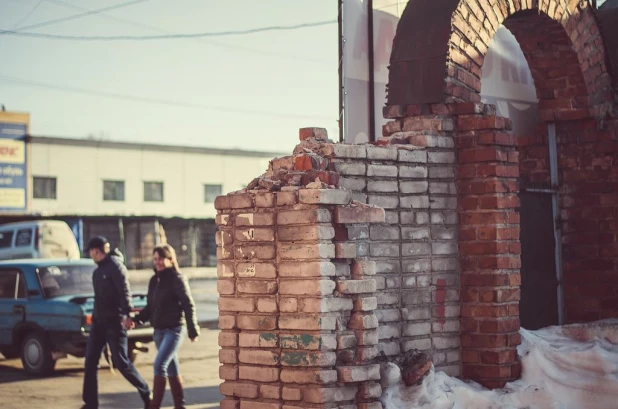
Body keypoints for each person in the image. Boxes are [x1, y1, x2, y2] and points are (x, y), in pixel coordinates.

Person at [81, 236, 151, 409]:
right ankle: (90, 403)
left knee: (121, 363)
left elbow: (124, 291)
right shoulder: (97, 272)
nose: (90, 255)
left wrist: (127, 314)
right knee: (90, 361)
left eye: (90, 252)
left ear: (96, 251)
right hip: (98, 323)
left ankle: (146, 391)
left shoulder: (115, 267)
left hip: (114, 322)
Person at [135, 244, 199, 409]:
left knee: (159, 365)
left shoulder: (177, 279)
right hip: (158, 332)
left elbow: (188, 305)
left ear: (170, 260)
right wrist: (136, 320)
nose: (158, 262)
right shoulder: (153, 280)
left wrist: (193, 330)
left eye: (161, 259)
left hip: (174, 330)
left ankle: (154, 406)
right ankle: (180, 405)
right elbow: (150, 307)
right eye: (155, 259)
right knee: (171, 368)